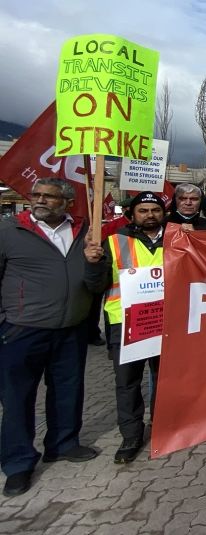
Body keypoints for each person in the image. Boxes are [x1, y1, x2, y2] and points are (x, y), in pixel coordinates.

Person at [1, 178, 109, 496]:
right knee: (17, 398)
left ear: (66, 201)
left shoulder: (84, 231)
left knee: (67, 390)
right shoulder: (10, 231)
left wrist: (95, 262)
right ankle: (18, 463)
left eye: (50, 196)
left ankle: (63, 443)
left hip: (71, 328)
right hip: (22, 330)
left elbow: (96, 284)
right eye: (37, 194)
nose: (41, 200)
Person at [102, 192, 165, 464]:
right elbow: (96, 285)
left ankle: (164, 426)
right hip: (126, 324)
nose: (149, 215)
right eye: (143, 210)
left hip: (166, 321)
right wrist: (93, 264)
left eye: (155, 210)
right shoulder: (114, 243)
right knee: (128, 383)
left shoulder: (177, 238)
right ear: (132, 214)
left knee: (165, 380)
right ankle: (131, 436)